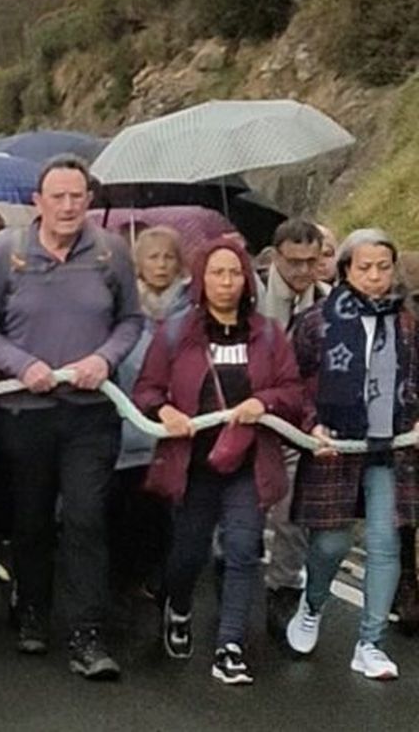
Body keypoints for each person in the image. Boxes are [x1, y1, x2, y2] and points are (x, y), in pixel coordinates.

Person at [0, 154, 142, 679]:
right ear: (36, 203)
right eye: (57, 197)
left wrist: (102, 359)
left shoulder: (111, 253)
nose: (68, 206)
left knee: (87, 518)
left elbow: (131, 319)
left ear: (89, 199)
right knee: (31, 520)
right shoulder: (7, 253)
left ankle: (87, 633)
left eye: (77, 196)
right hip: (26, 409)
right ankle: (33, 612)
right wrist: (25, 365)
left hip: (91, 413)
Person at [132, 238, 307, 686]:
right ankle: (180, 603)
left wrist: (262, 402)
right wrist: (165, 411)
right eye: (217, 273)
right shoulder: (175, 333)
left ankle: (230, 645)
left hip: (249, 462)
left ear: (247, 279)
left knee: (244, 550)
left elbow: (292, 393)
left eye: (234, 273)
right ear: (201, 280)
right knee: (188, 552)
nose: (226, 283)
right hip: (192, 464)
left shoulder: (269, 334)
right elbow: (147, 390)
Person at [285, 228, 419, 680]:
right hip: (334, 444)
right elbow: (292, 381)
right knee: (331, 543)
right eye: (364, 267)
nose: (375, 277)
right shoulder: (317, 321)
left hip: (390, 444)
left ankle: (371, 642)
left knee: (385, 542)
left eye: (383, 267)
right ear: (345, 269)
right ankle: (313, 603)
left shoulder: (406, 321)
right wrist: (311, 423)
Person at [256, 218, 330, 631]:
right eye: (293, 261)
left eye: (311, 261)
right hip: (249, 411)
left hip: (299, 419)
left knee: (292, 509)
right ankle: (225, 564)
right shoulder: (253, 293)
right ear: (275, 257)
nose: (302, 271)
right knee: (240, 506)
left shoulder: (327, 302)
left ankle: (283, 588)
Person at [107, 227, 189, 599]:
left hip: (171, 425)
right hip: (123, 422)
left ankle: (155, 577)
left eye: (168, 257)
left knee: (161, 510)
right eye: (153, 256)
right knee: (122, 508)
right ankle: (122, 577)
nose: (161, 264)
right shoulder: (120, 307)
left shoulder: (191, 312)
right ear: (137, 263)